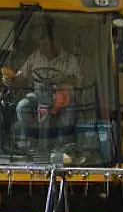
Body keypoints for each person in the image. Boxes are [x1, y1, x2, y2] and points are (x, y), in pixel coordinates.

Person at [1, 24, 83, 160]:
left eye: (45, 46)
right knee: (22, 106)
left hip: (60, 97)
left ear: (55, 44)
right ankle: (31, 143)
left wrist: (64, 78)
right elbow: (21, 77)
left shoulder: (69, 59)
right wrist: (11, 80)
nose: (41, 49)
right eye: (40, 45)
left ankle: (60, 145)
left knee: (70, 108)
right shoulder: (35, 57)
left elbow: (79, 81)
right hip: (37, 96)